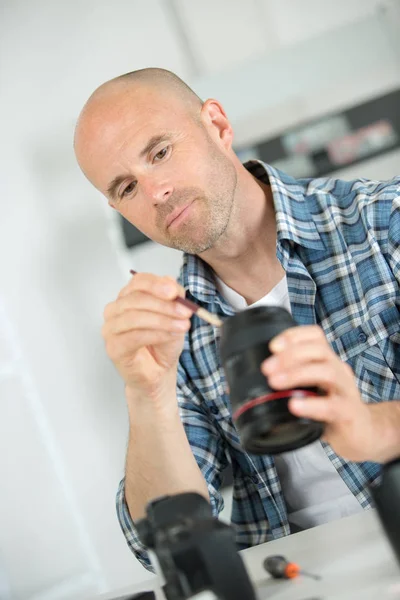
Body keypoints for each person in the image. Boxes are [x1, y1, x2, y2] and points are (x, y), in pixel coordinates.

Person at [74, 68, 400, 571]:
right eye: (126, 187)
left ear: (217, 126)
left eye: (160, 153)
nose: (155, 191)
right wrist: (148, 394)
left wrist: (372, 429)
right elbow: (164, 542)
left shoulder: (385, 222)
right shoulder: (172, 330)